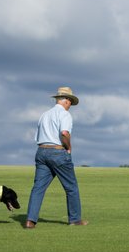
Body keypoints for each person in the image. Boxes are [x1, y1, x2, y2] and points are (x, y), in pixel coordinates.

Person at [25, 87, 88, 228]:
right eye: (70, 101)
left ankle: (30, 220)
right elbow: (64, 133)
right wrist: (69, 147)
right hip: (57, 152)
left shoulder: (44, 115)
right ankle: (75, 219)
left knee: (38, 188)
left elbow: (37, 137)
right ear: (66, 100)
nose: (70, 105)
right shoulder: (65, 115)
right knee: (71, 187)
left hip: (41, 151)